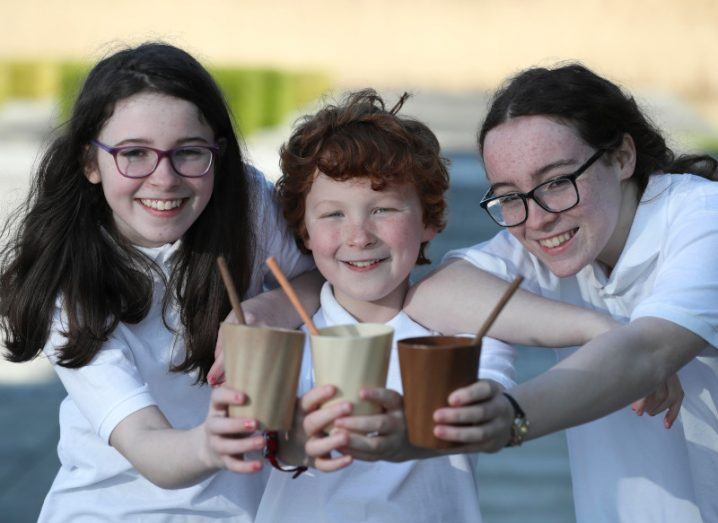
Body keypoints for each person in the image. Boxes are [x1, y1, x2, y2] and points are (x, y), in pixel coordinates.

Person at [0, 42, 321, 521]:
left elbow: (323, 278)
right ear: (91, 162)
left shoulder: (247, 206)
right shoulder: (66, 281)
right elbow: (149, 447)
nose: (164, 178)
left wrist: (263, 311)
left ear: (218, 153)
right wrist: (212, 442)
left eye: (189, 153)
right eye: (134, 153)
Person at [404, 64, 718, 522]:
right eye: (509, 195)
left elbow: (646, 352)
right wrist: (596, 326)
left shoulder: (703, 221)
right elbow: (434, 293)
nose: (536, 219)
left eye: (556, 181)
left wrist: (509, 416)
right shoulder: (553, 236)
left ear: (622, 157)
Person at [250, 89, 516, 522]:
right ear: (303, 231)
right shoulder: (281, 341)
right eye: (333, 215)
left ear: (429, 220)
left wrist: (409, 433)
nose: (359, 236)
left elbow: (485, 421)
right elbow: (274, 450)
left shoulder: (467, 334)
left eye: (384, 209)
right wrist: (298, 438)